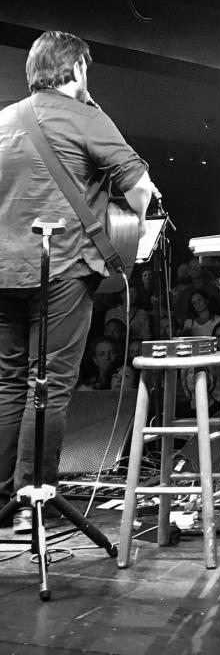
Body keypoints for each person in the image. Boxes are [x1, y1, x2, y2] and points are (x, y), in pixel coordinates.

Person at [0, 31, 154, 533]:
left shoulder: (3, 121)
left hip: (3, 270)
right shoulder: (87, 116)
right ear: (79, 70)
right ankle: (32, 503)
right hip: (62, 267)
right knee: (50, 386)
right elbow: (140, 193)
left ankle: (4, 500)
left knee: (7, 384)